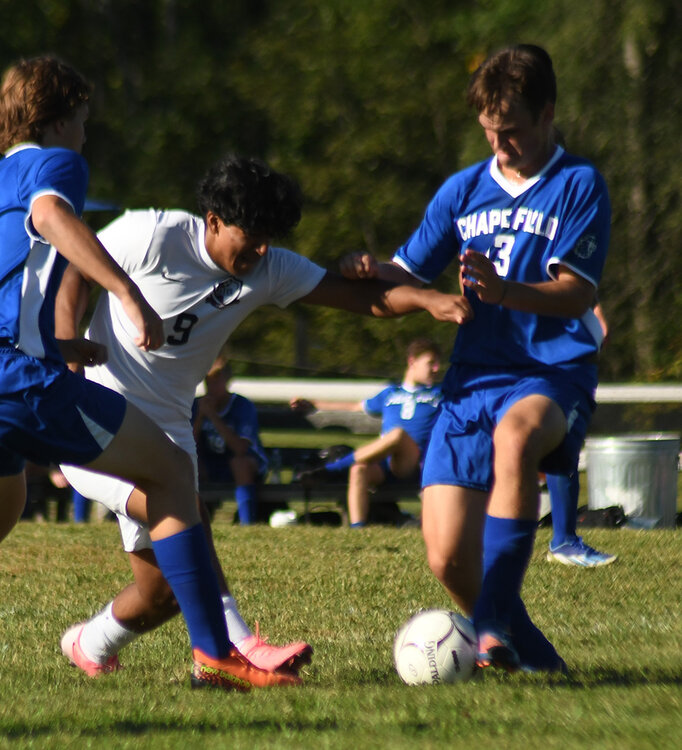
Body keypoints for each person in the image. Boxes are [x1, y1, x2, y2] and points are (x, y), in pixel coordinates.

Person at [0, 55, 298, 692]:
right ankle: (216, 657)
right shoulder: (54, 163)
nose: (86, 135)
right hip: (4, 373)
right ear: (58, 118)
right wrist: (128, 295)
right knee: (171, 471)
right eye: (82, 120)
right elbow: (54, 219)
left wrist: (56, 343)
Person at [56, 154, 473, 679]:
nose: (260, 250)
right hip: (92, 415)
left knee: (161, 593)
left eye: (268, 238)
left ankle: (90, 645)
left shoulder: (269, 268)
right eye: (250, 235)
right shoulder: (150, 233)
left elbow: (363, 298)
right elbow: (76, 269)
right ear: (212, 221)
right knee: (182, 508)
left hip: (167, 432)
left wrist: (428, 299)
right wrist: (68, 349)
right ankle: (235, 647)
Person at [340, 44, 610, 672]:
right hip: (470, 380)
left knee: (517, 440)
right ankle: (537, 661)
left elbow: (580, 292)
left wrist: (503, 291)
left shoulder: (578, 184)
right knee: (446, 559)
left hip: (550, 371)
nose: (500, 144)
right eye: (490, 131)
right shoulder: (463, 189)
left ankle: (488, 623)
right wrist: (368, 269)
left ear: (547, 113)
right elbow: (405, 271)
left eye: (511, 131)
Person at [292, 337, 442, 527]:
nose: (436, 369)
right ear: (412, 361)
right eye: (431, 363)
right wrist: (314, 405)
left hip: (415, 464)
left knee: (397, 435)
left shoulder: (439, 394)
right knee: (359, 469)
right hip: (386, 465)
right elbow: (355, 407)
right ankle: (358, 528)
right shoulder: (390, 393)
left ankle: (331, 470)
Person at [545, 302, 616, 566]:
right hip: (548, 359)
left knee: (561, 445)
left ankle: (564, 541)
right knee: (557, 445)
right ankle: (563, 542)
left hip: (568, 360)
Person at [193, 354, 269, 525]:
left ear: (227, 381)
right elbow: (188, 443)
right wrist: (199, 418)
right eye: (208, 381)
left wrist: (213, 416)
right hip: (210, 464)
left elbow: (240, 448)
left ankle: (246, 521)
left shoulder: (242, 406)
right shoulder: (197, 405)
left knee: (239, 463)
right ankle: (195, 522)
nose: (212, 386)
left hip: (245, 465)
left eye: (216, 381)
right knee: (187, 463)